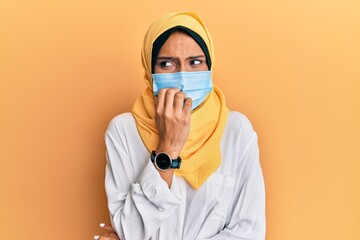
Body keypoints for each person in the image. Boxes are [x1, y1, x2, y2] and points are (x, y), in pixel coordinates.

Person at [94, 11, 266, 240]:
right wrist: (168, 147)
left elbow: (249, 234)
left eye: (195, 62)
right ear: (150, 70)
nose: (183, 76)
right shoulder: (123, 131)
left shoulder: (236, 131)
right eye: (167, 63)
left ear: (209, 65)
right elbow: (130, 232)